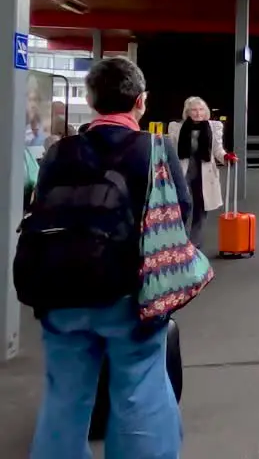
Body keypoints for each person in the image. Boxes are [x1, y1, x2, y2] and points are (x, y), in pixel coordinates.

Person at [25, 57, 189, 458]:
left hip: (59, 292)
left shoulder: (60, 151)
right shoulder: (154, 148)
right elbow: (181, 211)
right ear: (141, 102)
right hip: (129, 295)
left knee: (64, 397)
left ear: (91, 100)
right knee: (139, 390)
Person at [168, 97, 229, 250]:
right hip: (183, 172)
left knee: (201, 208)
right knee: (183, 205)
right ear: (187, 112)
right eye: (194, 110)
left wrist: (226, 156)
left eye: (201, 109)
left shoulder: (214, 127)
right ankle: (180, 241)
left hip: (204, 174)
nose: (198, 113)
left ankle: (194, 245)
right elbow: (172, 151)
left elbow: (217, 150)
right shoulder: (176, 128)